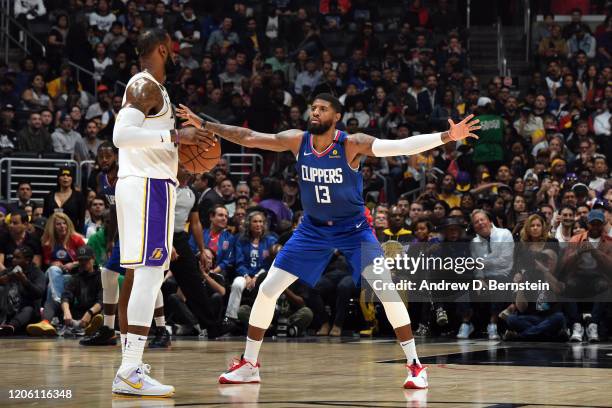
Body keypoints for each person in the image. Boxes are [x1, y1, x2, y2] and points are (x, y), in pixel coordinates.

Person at [178, 92, 480, 389]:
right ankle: (249, 365)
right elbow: (249, 136)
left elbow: (399, 146)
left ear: (336, 116)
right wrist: (206, 125)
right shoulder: (298, 140)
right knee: (268, 289)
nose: (315, 112)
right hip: (312, 229)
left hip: (354, 229)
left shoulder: (352, 144)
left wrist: (446, 136)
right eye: (313, 107)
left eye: (322, 108)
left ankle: (415, 366)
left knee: (385, 289)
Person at [110, 28, 213, 397]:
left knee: (140, 276)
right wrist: (174, 138)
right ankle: (130, 369)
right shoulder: (145, 85)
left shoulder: (155, 90)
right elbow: (121, 136)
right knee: (150, 275)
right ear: (163, 49)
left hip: (149, 185)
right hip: (147, 185)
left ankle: (129, 366)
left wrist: (179, 139)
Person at [0, 246, 45, 335]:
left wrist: (25, 280)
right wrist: (4, 279)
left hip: (27, 310)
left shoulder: (37, 272)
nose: (13, 260)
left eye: (17, 258)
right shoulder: (9, 271)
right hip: (8, 309)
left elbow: (39, 293)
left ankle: (10, 327)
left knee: (28, 310)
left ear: (27, 260)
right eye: (13, 257)